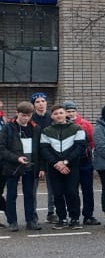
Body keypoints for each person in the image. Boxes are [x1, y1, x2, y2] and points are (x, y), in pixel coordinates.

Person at [39, 104, 85, 229]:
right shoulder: (46, 131)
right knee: (57, 193)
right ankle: (62, 219)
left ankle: (75, 219)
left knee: (72, 192)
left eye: (61, 113)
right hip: (54, 167)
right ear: (52, 116)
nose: (58, 115)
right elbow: (44, 149)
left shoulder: (77, 129)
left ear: (66, 114)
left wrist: (65, 162)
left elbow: (80, 147)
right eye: (55, 114)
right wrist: (57, 163)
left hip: (72, 166)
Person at [2, 101, 42, 231]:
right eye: (23, 115)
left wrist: (41, 168)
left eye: (28, 115)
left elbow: (40, 149)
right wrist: (16, 158)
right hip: (12, 167)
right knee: (11, 195)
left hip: (30, 166)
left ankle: (30, 221)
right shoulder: (8, 128)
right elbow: (2, 148)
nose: (26, 118)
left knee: (29, 195)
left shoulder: (36, 128)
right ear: (17, 113)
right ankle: (12, 222)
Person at [63, 101, 98, 226]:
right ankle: (74, 216)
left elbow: (92, 141)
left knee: (87, 190)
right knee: (71, 191)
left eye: (73, 111)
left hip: (85, 161)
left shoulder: (85, 124)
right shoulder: (62, 125)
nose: (71, 114)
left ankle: (88, 215)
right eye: (68, 111)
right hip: (70, 162)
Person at [30, 93, 54, 222]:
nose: (41, 104)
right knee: (32, 189)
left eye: (43, 101)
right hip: (34, 158)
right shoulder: (30, 119)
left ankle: (51, 212)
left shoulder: (52, 118)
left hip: (50, 156)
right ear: (33, 105)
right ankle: (33, 213)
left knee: (53, 187)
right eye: (37, 102)